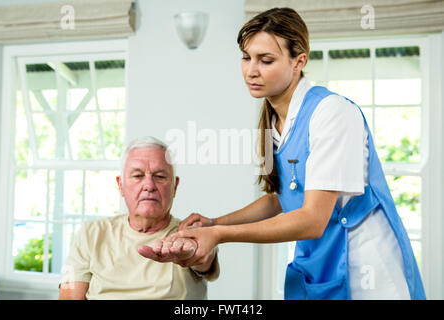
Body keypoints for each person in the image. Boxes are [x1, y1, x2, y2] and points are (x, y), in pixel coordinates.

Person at [147, 7, 426, 300]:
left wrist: (219, 236)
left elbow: (312, 219)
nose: (251, 70)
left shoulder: (331, 113)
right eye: (246, 57)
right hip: (319, 258)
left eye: (266, 60)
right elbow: (282, 198)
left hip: (365, 268)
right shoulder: (274, 119)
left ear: (299, 61)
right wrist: (215, 223)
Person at [58, 137, 219, 300]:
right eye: (137, 176)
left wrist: (197, 253)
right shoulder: (90, 233)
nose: (149, 185)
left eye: (160, 176)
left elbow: (205, 259)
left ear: (174, 186)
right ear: (120, 185)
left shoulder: (192, 234)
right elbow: (69, 296)